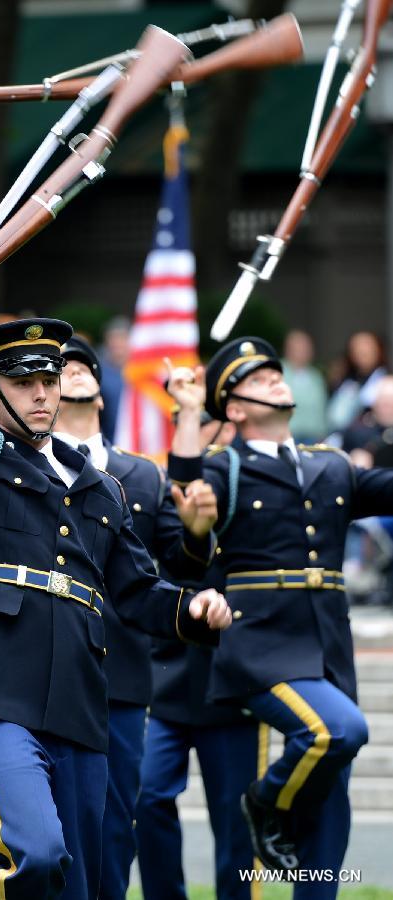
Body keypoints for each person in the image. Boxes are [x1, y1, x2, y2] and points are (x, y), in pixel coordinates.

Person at [0, 224, 231, 900]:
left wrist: (193, 610)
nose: (43, 393)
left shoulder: (102, 486)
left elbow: (138, 594)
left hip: (82, 692)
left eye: (49, 379)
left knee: (85, 877)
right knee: (37, 851)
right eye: (24, 384)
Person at [165, 336, 384, 893]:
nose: (276, 381)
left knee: (331, 814)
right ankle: (263, 802)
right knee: (338, 731)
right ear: (234, 408)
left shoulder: (331, 464)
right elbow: (187, 494)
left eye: (275, 374)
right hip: (260, 646)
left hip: (328, 648)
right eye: (259, 380)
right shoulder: (226, 468)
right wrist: (190, 414)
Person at [53, 335, 218, 900]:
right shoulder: (24, 465)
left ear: (102, 393)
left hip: (120, 673)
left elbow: (177, 561)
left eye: (82, 365)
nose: (72, 371)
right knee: (46, 828)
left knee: (115, 824)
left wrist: (197, 534)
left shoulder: (141, 474)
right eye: (60, 368)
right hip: (44, 666)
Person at [135, 410, 263, 900]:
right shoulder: (171, 487)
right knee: (146, 796)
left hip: (233, 678)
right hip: (169, 673)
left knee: (235, 818)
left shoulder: (257, 486)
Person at [326, 330, 387, 433]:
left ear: (378, 349)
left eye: (367, 346)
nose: (362, 351)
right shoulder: (346, 381)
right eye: (357, 347)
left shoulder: (386, 381)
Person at [281, 330, 328, 445]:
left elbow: (322, 407)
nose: (303, 351)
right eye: (298, 347)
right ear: (288, 349)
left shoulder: (316, 376)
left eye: (306, 347)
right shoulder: (277, 372)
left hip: (314, 437)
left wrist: (323, 434)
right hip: (287, 436)